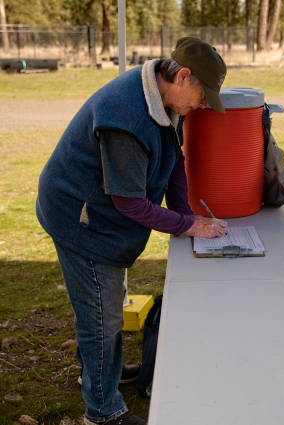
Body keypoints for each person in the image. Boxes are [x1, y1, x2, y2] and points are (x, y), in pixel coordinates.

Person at [36, 37, 228, 425]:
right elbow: (130, 203)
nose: (203, 104)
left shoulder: (166, 97)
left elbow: (174, 158)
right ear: (183, 76)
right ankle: (103, 412)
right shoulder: (124, 117)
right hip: (81, 221)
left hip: (101, 214)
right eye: (202, 96)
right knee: (102, 318)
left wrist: (184, 214)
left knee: (103, 307)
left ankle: (97, 375)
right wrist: (188, 226)